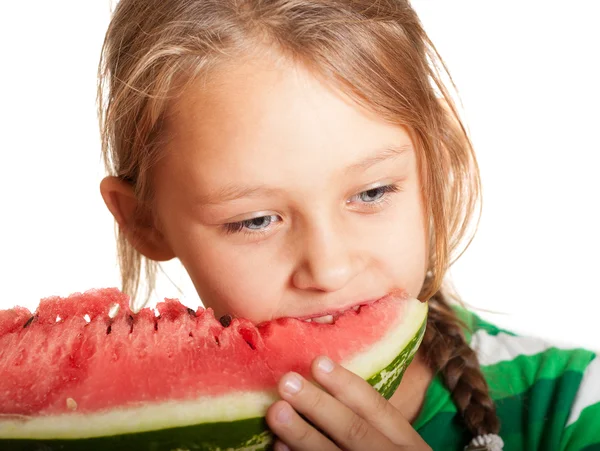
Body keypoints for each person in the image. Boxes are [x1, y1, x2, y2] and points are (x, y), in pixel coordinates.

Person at [97, 1, 600, 450]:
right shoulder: (96, 428)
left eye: (373, 193)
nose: (330, 268)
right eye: (255, 220)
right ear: (144, 222)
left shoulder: (575, 404)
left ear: (436, 163)